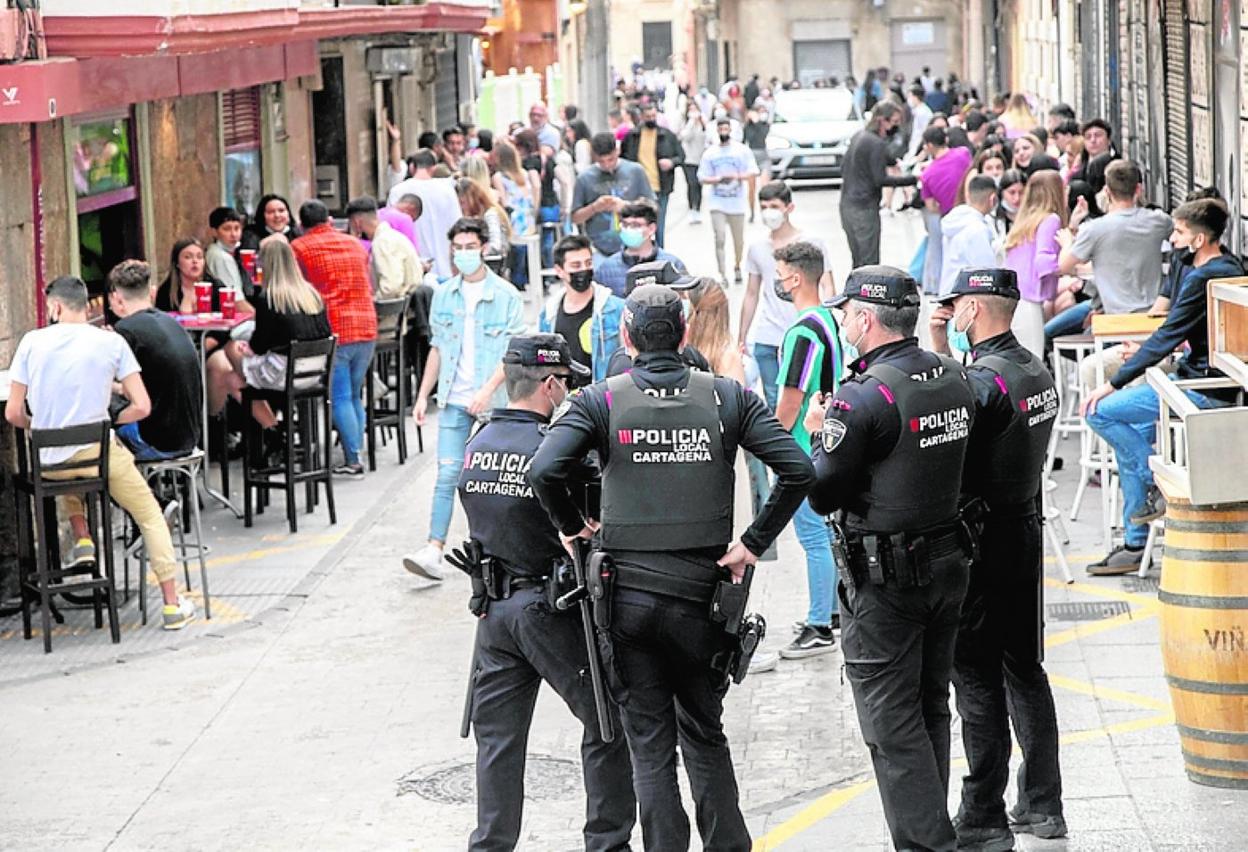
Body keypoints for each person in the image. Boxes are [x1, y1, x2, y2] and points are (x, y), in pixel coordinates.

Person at [528, 282, 815, 851]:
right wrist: (753, 543)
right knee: (705, 734)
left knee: (650, 743)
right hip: (702, 597)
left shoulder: (601, 400)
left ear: (628, 340)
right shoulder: (727, 397)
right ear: (685, 335)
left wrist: (572, 530)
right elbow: (798, 470)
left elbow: (544, 471)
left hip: (627, 598)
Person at [804, 266, 976, 852]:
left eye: (845, 311)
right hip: (947, 562)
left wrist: (815, 431)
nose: (842, 321)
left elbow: (824, 490)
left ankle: (929, 845)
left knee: (888, 720)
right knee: (929, 706)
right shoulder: (952, 374)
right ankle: (931, 831)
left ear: (866, 317)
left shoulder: (862, 396)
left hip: (886, 580)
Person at [457, 333, 636, 851]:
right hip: (550, 608)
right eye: (566, 385)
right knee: (608, 720)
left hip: (493, 611)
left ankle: (491, 844)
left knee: (498, 742)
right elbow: (597, 523)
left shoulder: (477, 440)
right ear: (550, 384)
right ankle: (607, 843)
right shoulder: (555, 452)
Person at [928, 267, 1066, 849]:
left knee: (977, 679)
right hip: (1022, 531)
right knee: (1024, 669)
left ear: (973, 311)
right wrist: (942, 350)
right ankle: (1043, 803)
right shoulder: (1033, 368)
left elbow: (958, 421)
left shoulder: (983, 382)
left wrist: (936, 359)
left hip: (981, 542)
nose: (950, 315)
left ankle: (982, 813)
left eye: (955, 306)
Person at [6, 276, 196, 630]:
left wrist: (40, 424)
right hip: (98, 453)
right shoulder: (110, 342)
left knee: (67, 468)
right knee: (150, 515)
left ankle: (83, 539)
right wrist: (113, 418)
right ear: (85, 305)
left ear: (56, 307)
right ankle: (172, 605)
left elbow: (13, 414)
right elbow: (141, 406)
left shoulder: (32, 342)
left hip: (49, 463)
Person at [1082, 198, 1244, 574]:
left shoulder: (1208, 275)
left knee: (1100, 411)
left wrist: (1112, 383)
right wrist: (1145, 350)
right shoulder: (1211, 266)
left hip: (1203, 389)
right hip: (1192, 375)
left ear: (1200, 238)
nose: (1172, 238)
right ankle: (1136, 542)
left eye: (1180, 232)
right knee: (1133, 434)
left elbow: (1171, 332)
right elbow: (1192, 332)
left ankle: (1154, 486)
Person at [405, 218, 526, 581]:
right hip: (454, 401)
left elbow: (510, 353)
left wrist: (487, 392)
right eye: (457, 247)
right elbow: (438, 349)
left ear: (484, 248)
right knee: (447, 475)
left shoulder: (505, 295)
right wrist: (423, 396)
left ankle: (500, 552)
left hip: (495, 405)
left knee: (496, 480)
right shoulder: (444, 294)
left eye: (470, 246)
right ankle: (434, 549)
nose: (463, 254)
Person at [773, 242, 843, 660]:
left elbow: (790, 401)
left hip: (802, 446)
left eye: (781, 274)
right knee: (822, 533)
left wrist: (773, 446)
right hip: (823, 442)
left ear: (796, 278)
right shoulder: (828, 320)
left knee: (814, 537)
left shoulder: (802, 332)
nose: (779, 281)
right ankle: (829, 611)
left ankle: (819, 625)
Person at [291, 200, 378, 479]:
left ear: (301, 224)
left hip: (334, 328)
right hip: (366, 325)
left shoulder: (300, 248)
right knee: (354, 394)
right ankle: (357, 450)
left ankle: (354, 460)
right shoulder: (355, 244)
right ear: (329, 219)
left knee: (339, 396)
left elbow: (297, 289)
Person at [740, 181, 834, 410]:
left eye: (773, 205)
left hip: (802, 335)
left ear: (789, 207)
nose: (768, 212)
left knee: (802, 401)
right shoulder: (757, 247)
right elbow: (751, 293)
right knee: (773, 402)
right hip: (768, 337)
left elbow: (828, 286)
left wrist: (825, 324)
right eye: (763, 207)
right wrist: (741, 337)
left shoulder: (812, 244)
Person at [225, 235, 333, 431]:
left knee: (231, 361)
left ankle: (274, 432)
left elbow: (259, 346)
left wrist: (247, 347)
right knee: (235, 379)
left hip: (284, 374)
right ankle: (279, 433)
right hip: (315, 371)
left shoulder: (270, 299)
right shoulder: (312, 295)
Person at [1057, 160, 1170, 335]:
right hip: (1154, 316)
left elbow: (1063, 266)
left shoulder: (1094, 229)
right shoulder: (1159, 221)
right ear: (1138, 189)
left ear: (1107, 191)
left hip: (1116, 323)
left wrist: (1067, 241)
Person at [107, 260, 202, 463]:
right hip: (189, 436)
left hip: (156, 440)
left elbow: (118, 385)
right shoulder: (171, 322)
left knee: (100, 426)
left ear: (116, 299)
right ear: (151, 292)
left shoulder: (126, 329)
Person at [155, 237, 251, 416]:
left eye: (199, 257)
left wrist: (209, 342)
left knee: (220, 367)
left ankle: (212, 420)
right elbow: (162, 323)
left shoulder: (216, 286)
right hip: (180, 348)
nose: (195, 261)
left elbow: (226, 324)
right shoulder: (167, 291)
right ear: (177, 263)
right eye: (188, 257)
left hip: (213, 346)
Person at [840, 102, 919, 268]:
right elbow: (880, 179)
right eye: (894, 122)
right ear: (883, 121)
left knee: (858, 260)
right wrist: (913, 179)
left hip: (847, 205)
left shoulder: (859, 136)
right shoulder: (876, 143)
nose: (896, 127)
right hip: (864, 207)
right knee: (869, 262)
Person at [538, 234, 625, 382]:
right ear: (559, 271)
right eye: (576, 266)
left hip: (603, 397)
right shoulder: (548, 314)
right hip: (565, 399)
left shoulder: (615, 309)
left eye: (588, 263)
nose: (584, 270)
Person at [1001, 171, 1068, 357]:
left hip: (1012, 297)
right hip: (1030, 299)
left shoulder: (1025, 221)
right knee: (1033, 358)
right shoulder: (1050, 220)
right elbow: (1043, 262)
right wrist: (1068, 263)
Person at [571, 131, 656, 258]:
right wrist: (594, 208)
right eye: (601, 161)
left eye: (610, 159)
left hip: (636, 245)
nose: (607, 165)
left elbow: (653, 208)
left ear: (617, 151)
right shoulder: (584, 178)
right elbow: (575, 218)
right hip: (599, 247)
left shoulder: (635, 171)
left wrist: (627, 207)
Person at [387, 149, 466, 280]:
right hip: (446, 269)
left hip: (413, 271)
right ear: (433, 168)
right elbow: (458, 227)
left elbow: (390, 231)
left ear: (412, 167)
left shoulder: (398, 191)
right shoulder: (447, 191)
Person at [698, 117, 759, 286]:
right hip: (717, 202)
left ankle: (737, 266)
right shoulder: (710, 153)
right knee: (720, 237)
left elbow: (753, 172)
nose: (724, 131)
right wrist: (716, 179)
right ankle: (722, 273)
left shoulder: (741, 151)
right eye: (721, 129)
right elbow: (702, 177)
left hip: (737, 203)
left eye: (726, 128)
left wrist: (736, 176)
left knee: (738, 240)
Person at [620, 102, 684, 246]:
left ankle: (659, 254)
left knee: (658, 226)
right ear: (642, 117)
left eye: (653, 116)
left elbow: (680, 156)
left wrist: (671, 162)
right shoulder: (632, 136)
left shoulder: (667, 136)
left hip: (660, 186)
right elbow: (623, 159)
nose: (651, 119)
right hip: (637, 189)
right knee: (636, 225)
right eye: (648, 116)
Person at [919, 126, 973, 295]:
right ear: (946, 139)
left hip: (949, 218)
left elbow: (931, 206)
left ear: (928, 146)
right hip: (971, 211)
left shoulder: (927, 174)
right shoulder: (963, 154)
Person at [593, 199, 686, 298]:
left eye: (635, 225)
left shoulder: (672, 265)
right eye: (625, 224)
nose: (629, 229)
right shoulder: (606, 269)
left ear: (651, 229)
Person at [345, 196, 422, 300]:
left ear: (356, 222)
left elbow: (391, 288)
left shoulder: (382, 242)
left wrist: (373, 301)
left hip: (394, 310)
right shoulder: (393, 236)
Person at [940, 176, 1000, 296]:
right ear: (993, 199)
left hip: (949, 289)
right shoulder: (978, 230)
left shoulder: (955, 220)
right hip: (965, 295)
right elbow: (987, 271)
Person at [455, 177, 512, 258]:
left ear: (471, 199)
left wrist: (476, 252)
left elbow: (496, 245)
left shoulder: (490, 214)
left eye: (462, 203)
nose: (460, 207)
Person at [205, 206, 247, 295]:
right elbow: (235, 298)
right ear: (214, 232)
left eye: (237, 228)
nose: (233, 234)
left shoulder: (231, 252)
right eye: (227, 229)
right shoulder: (221, 257)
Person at [678, 101, 708, 224]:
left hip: (700, 159)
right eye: (691, 109)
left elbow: (707, 136)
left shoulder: (703, 123)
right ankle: (691, 209)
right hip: (689, 159)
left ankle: (698, 209)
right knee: (691, 184)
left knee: (699, 185)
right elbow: (685, 137)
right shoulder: (686, 124)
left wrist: (701, 122)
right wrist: (691, 122)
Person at [906, 85, 935, 159]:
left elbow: (925, 132)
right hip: (914, 146)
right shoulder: (917, 110)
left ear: (915, 97)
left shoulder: (924, 112)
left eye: (910, 96)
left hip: (920, 148)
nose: (908, 99)